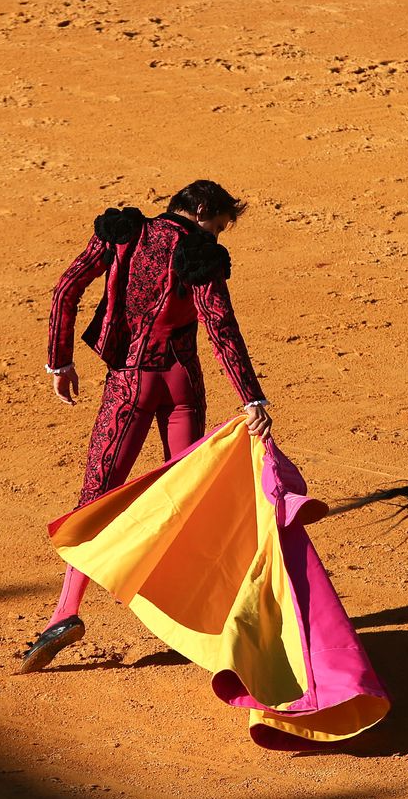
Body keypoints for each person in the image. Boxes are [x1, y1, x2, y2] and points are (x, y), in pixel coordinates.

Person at [17, 179, 273, 673]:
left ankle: (66, 612)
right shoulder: (199, 253)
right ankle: (203, 621)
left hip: (129, 382)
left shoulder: (123, 233)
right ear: (199, 210)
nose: (217, 238)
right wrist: (251, 398)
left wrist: (59, 361)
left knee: (96, 496)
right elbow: (221, 327)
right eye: (216, 226)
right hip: (182, 384)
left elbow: (67, 288)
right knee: (187, 498)